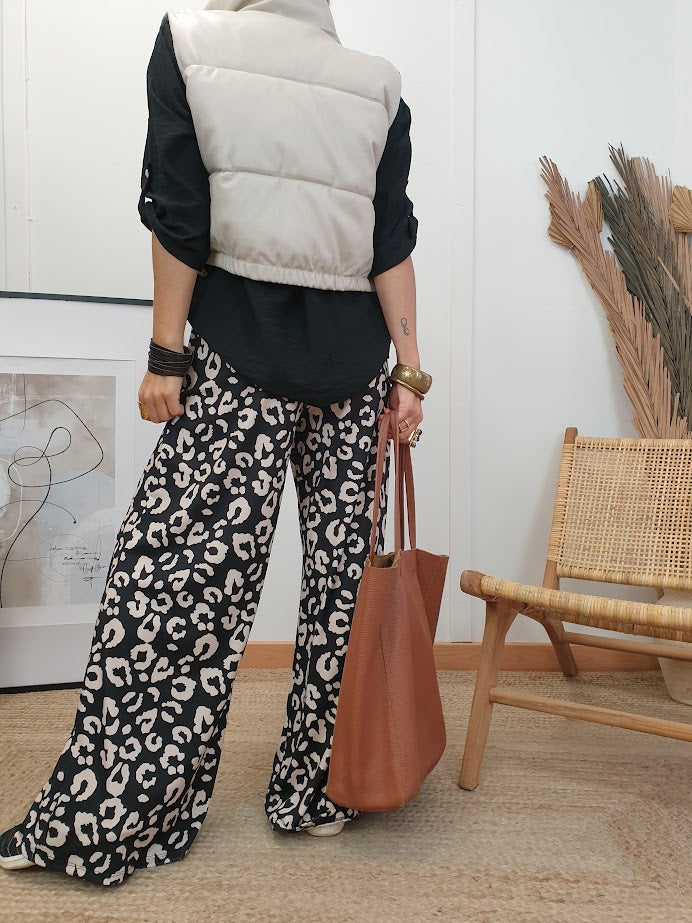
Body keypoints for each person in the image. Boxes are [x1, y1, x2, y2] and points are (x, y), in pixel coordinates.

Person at [0, 0, 431, 886]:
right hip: (357, 369)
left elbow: (181, 214)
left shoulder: (191, 44)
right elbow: (390, 240)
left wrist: (167, 353)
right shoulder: (378, 86)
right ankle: (319, 791)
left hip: (240, 357)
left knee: (179, 593)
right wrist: (409, 373)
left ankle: (116, 819)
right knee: (345, 591)